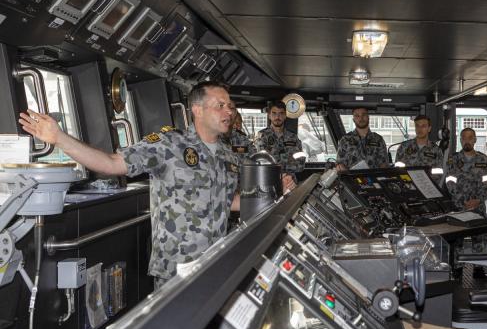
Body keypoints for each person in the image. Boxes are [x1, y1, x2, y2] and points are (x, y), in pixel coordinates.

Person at [19, 81, 241, 289]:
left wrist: (268, 194)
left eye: (229, 106)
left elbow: (225, 201)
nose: (229, 112)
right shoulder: (168, 144)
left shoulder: (228, 155)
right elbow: (112, 164)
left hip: (217, 259)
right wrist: (59, 139)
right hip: (178, 266)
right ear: (197, 110)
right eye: (220, 106)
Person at [253, 101, 306, 191]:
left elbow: (301, 164)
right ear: (269, 115)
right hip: (269, 185)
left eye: (281, 113)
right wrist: (286, 166)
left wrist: (285, 174)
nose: (278, 117)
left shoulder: (293, 138)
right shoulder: (261, 136)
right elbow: (260, 163)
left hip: (290, 184)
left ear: (285, 116)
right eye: (274, 113)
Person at [445, 128, 487, 216]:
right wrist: (464, 200)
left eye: (470, 138)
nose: (467, 141)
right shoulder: (453, 159)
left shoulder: (483, 159)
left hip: (478, 208)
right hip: (458, 207)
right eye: (464, 138)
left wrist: (477, 200)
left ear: (475, 140)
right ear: (460, 140)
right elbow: (450, 182)